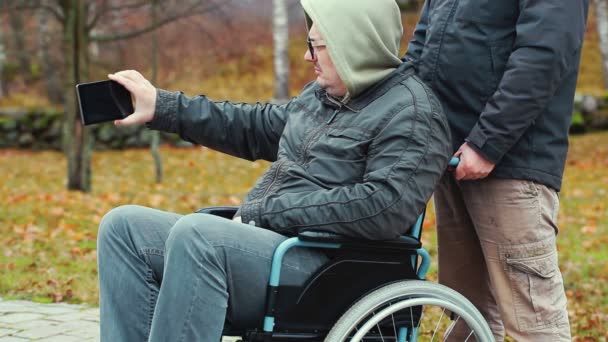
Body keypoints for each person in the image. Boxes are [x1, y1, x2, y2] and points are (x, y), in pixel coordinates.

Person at [97, 0, 451, 340]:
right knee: (123, 227)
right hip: (280, 249)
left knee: (199, 235)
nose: (307, 56)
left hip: (328, 269)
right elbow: (253, 126)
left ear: (354, 44)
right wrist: (163, 106)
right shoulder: (323, 96)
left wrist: (265, 213)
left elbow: (383, 207)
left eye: (317, 46)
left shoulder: (413, 113)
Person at [404, 0, 590, 341]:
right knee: (466, 311)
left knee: (533, 320)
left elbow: (543, 55)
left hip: (511, 161)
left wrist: (486, 143)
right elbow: (423, 47)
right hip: (451, 155)